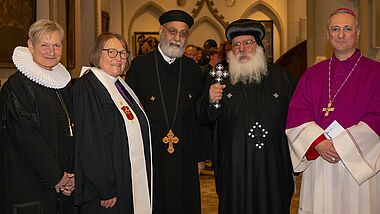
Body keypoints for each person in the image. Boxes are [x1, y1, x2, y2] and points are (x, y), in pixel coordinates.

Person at [286, 8, 380, 214]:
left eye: (347, 28)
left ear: (358, 32)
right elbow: (297, 114)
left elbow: (377, 116)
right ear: (328, 34)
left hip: (359, 163)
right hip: (321, 161)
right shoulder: (312, 75)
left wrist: (343, 146)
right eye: (335, 29)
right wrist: (319, 143)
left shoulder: (376, 72)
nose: (341, 35)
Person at [198, 19, 294, 214]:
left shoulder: (281, 77)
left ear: (259, 46)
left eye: (247, 43)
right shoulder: (219, 77)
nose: (241, 48)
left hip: (273, 164)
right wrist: (210, 99)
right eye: (236, 44)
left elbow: (296, 120)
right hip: (234, 164)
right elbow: (203, 117)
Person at [126, 9, 210, 214]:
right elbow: (129, 115)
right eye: (173, 31)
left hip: (186, 153)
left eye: (183, 34)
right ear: (161, 31)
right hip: (151, 151)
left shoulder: (193, 70)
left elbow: (201, 115)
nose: (177, 38)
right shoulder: (139, 66)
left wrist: (200, 157)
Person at [72, 32, 153, 213]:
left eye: (123, 53)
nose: (118, 58)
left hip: (124, 180)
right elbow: (91, 142)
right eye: (112, 52)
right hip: (106, 190)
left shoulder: (121, 86)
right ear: (97, 54)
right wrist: (105, 187)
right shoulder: (88, 87)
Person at [0, 19, 74, 214]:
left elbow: (71, 130)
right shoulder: (16, 87)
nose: (51, 51)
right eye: (44, 45)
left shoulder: (63, 86)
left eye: (57, 45)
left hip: (62, 182)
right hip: (28, 183)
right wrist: (57, 177)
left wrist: (71, 174)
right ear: (30, 46)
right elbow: (26, 138)